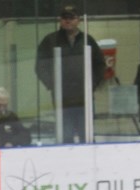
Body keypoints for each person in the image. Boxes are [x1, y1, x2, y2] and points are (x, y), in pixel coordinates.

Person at [35, 4, 105, 143]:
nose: (68, 21)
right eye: (65, 18)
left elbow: (99, 64)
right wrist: (53, 84)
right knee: (65, 134)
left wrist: (92, 84)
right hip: (62, 97)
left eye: (71, 17)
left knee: (86, 133)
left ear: (78, 20)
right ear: (60, 20)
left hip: (84, 96)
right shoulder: (50, 40)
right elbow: (40, 66)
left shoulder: (87, 40)